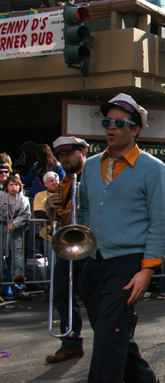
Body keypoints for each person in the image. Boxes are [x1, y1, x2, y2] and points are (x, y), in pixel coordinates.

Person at [76, 93, 165, 383]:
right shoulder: (89, 165)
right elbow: (85, 211)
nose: (111, 128)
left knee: (105, 346)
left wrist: (147, 269)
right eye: (107, 123)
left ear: (136, 129)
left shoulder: (153, 169)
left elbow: (160, 224)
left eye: (119, 123)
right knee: (112, 336)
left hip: (129, 263)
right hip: (95, 262)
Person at [43, 137, 90, 363]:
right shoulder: (64, 183)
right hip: (69, 248)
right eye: (60, 156)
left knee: (95, 297)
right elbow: (59, 215)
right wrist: (49, 206)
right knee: (62, 292)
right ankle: (71, 341)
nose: (64, 159)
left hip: (92, 248)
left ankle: (115, 339)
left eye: (68, 154)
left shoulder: (94, 177)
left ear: (83, 153)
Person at [1, 174, 30, 299]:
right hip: (1, 228)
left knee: (17, 258)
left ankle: (19, 290)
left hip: (16, 231)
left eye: (16, 185)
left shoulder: (23, 199)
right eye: (11, 185)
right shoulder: (1, 196)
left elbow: (26, 214)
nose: (14, 187)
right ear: (6, 186)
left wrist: (15, 223)